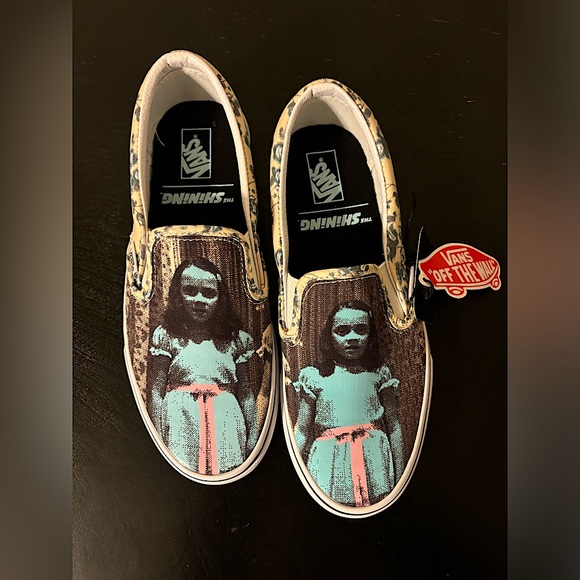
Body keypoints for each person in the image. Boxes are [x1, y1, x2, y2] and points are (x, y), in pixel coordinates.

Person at [148, 257, 257, 475]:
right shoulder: (168, 336)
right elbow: (156, 390)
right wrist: (158, 434)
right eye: (190, 291)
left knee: (226, 472)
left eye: (208, 293)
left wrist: (252, 435)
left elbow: (245, 393)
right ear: (178, 295)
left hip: (224, 418)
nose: (199, 300)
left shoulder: (235, 340)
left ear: (220, 298)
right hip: (180, 418)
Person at [293, 300, 404, 507]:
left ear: (371, 335)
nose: (352, 338)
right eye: (342, 331)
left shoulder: (378, 374)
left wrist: (400, 475)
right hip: (330, 460)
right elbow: (302, 431)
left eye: (360, 330)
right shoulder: (315, 376)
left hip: (373, 459)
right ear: (329, 336)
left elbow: (394, 426)